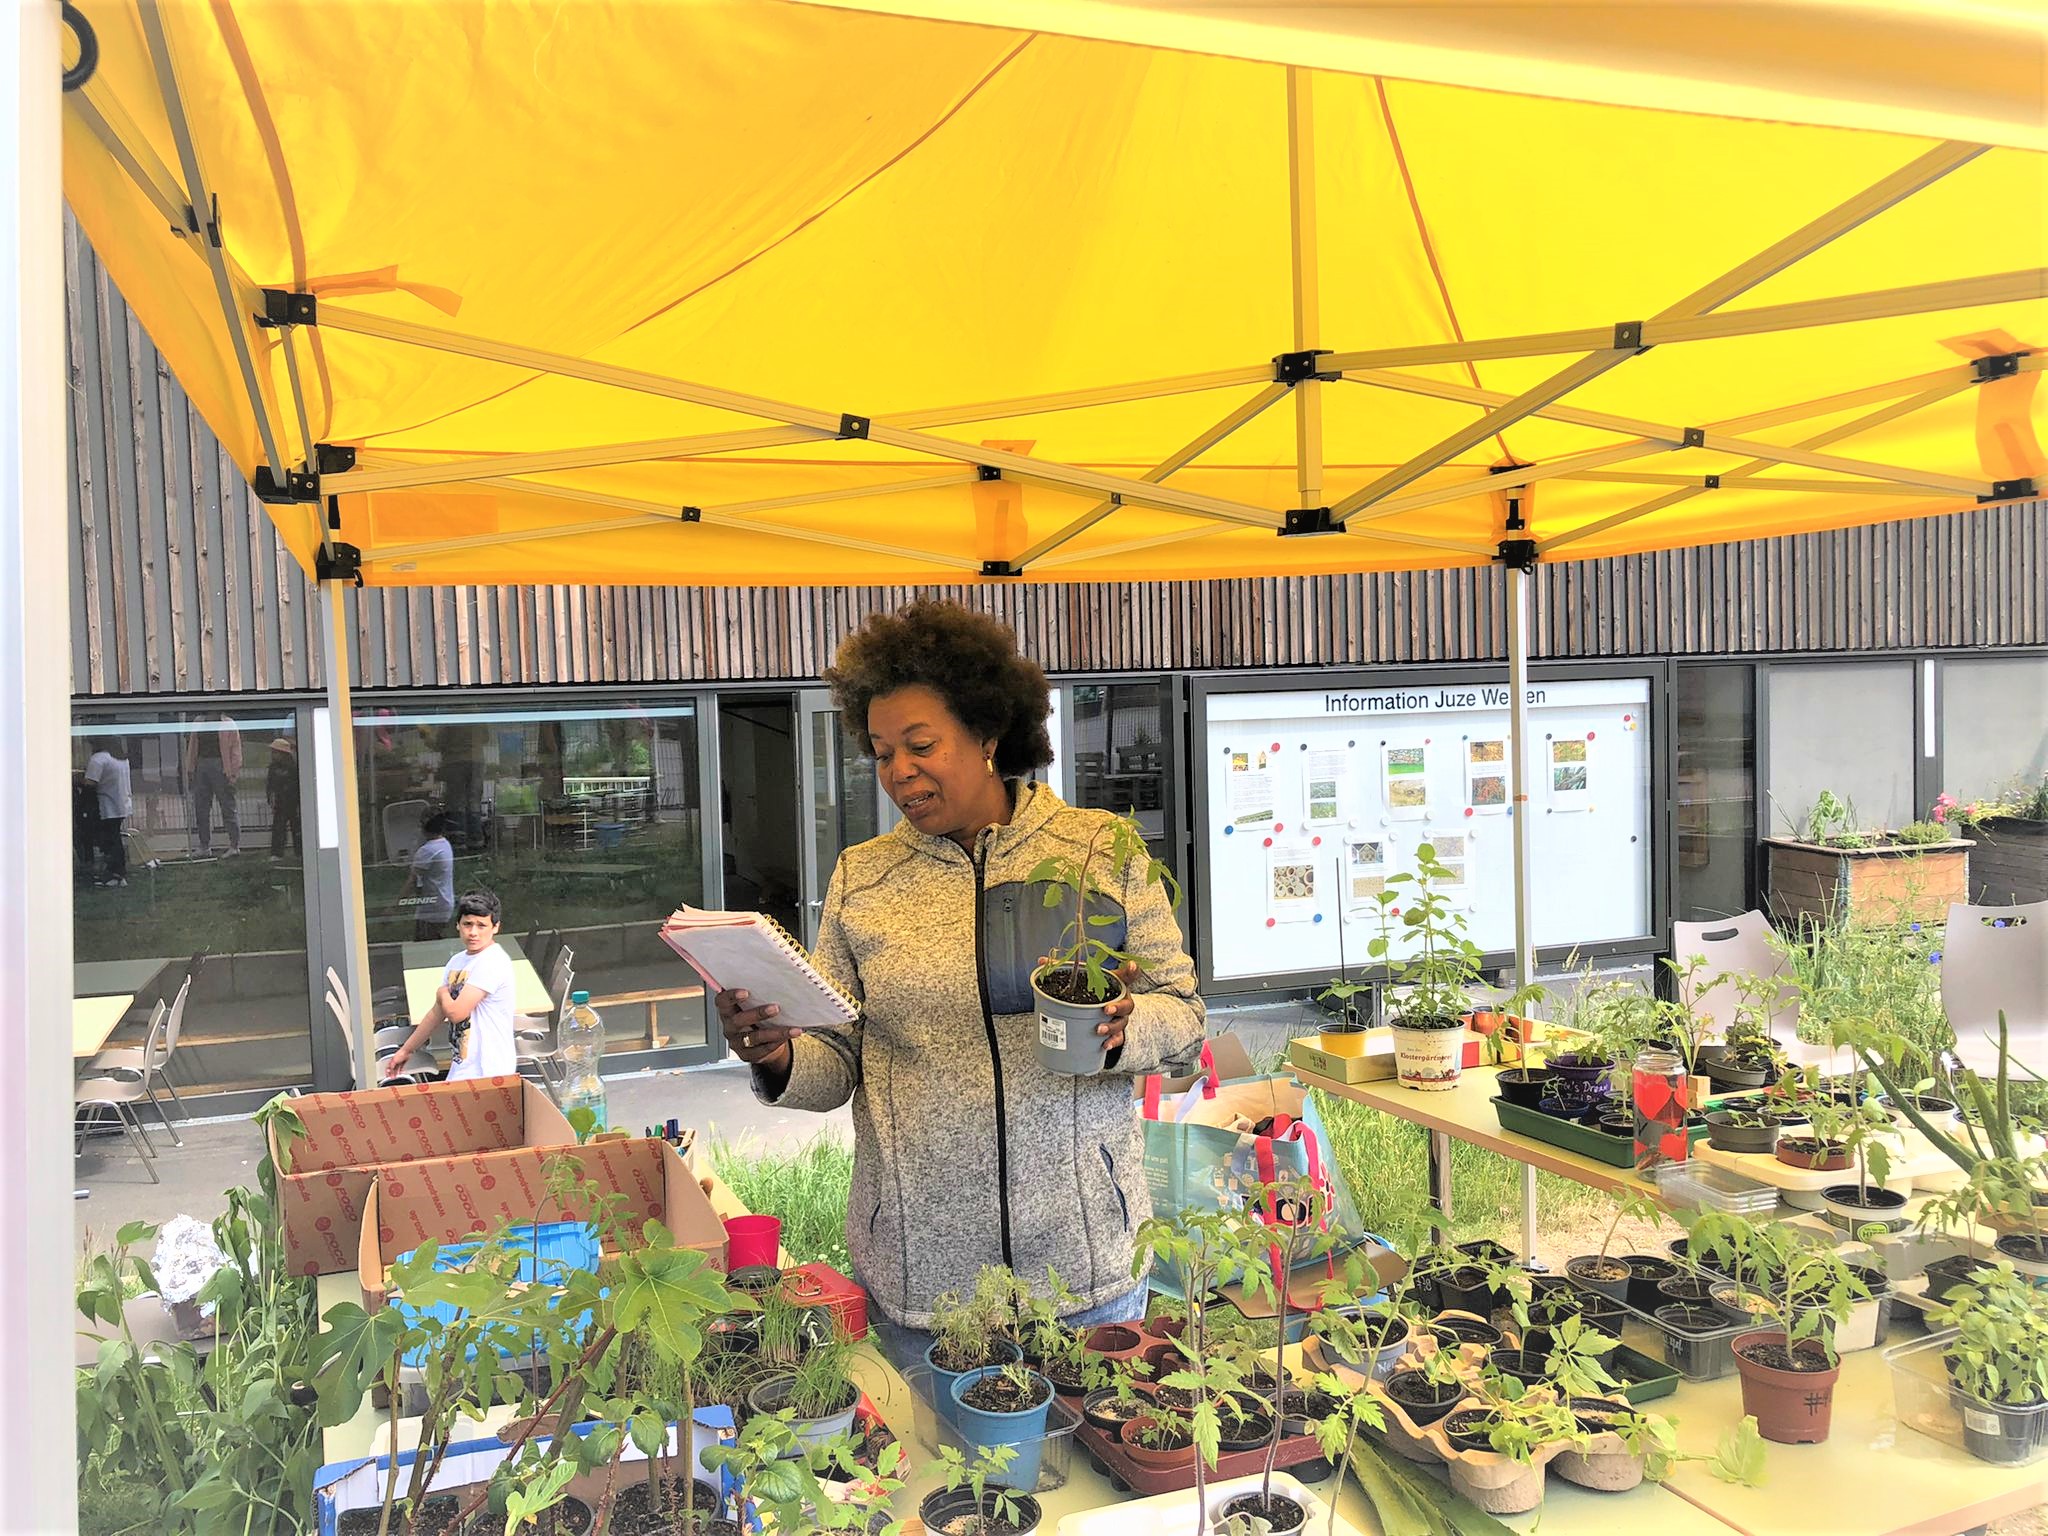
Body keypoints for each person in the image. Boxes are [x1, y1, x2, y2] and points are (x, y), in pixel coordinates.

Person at [718, 600, 1205, 1365]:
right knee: (956, 1482)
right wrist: (775, 1055)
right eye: (880, 753)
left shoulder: (1097, 850)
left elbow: (1181, 1008)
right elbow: (836, 1062)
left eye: (920, 744)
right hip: (924, 1274)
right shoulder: (864, 878)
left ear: (986, 737)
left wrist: (1122, 1028)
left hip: (1084, 1264)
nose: (898, 771)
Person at [384, 888, 518, 1082]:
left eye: (481, 925)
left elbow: (456, 1013)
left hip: (490, 1069)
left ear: (495, 927)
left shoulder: (493, 961)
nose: (473, 932)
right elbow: (436, 1013)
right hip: (463, 1064)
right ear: (458, 925)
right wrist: (406, 1049)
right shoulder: (457, 961)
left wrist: (442, 994)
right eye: (467, 924)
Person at [183, 713, 243, 857]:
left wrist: (233, 772)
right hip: (201, 764)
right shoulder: (198, 721)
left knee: (227, 806)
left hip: (221, 766)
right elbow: (192, 746)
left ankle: (234, 845)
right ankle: (204, 845)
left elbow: (235, 749)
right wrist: (190, 768)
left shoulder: (228, 723)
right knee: (201, 808)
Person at [81, 736, 132, 886]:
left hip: (106, 805)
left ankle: (114, 874)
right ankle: (117, 872)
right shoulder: (121, 758)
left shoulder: (98, 759)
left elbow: (90, 783)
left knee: (109, 840)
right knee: (115, 838)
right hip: (122, 803)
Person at [400, 812, 456, 940]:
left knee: (425, 946)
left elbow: (412, 880)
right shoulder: (444, 844)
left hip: (432, 909)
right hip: (444, 903)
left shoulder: (427, 851)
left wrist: (394, 906)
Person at [265, 738, 300, 859]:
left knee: (297, 827)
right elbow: (270, 784)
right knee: (278, 827)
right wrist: (270, 796)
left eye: (276, 752)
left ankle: (300, 851)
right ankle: (277, 852)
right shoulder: (273, 768)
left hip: (293, 802)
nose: (273, 755)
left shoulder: (294, 768)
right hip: (280, 803)